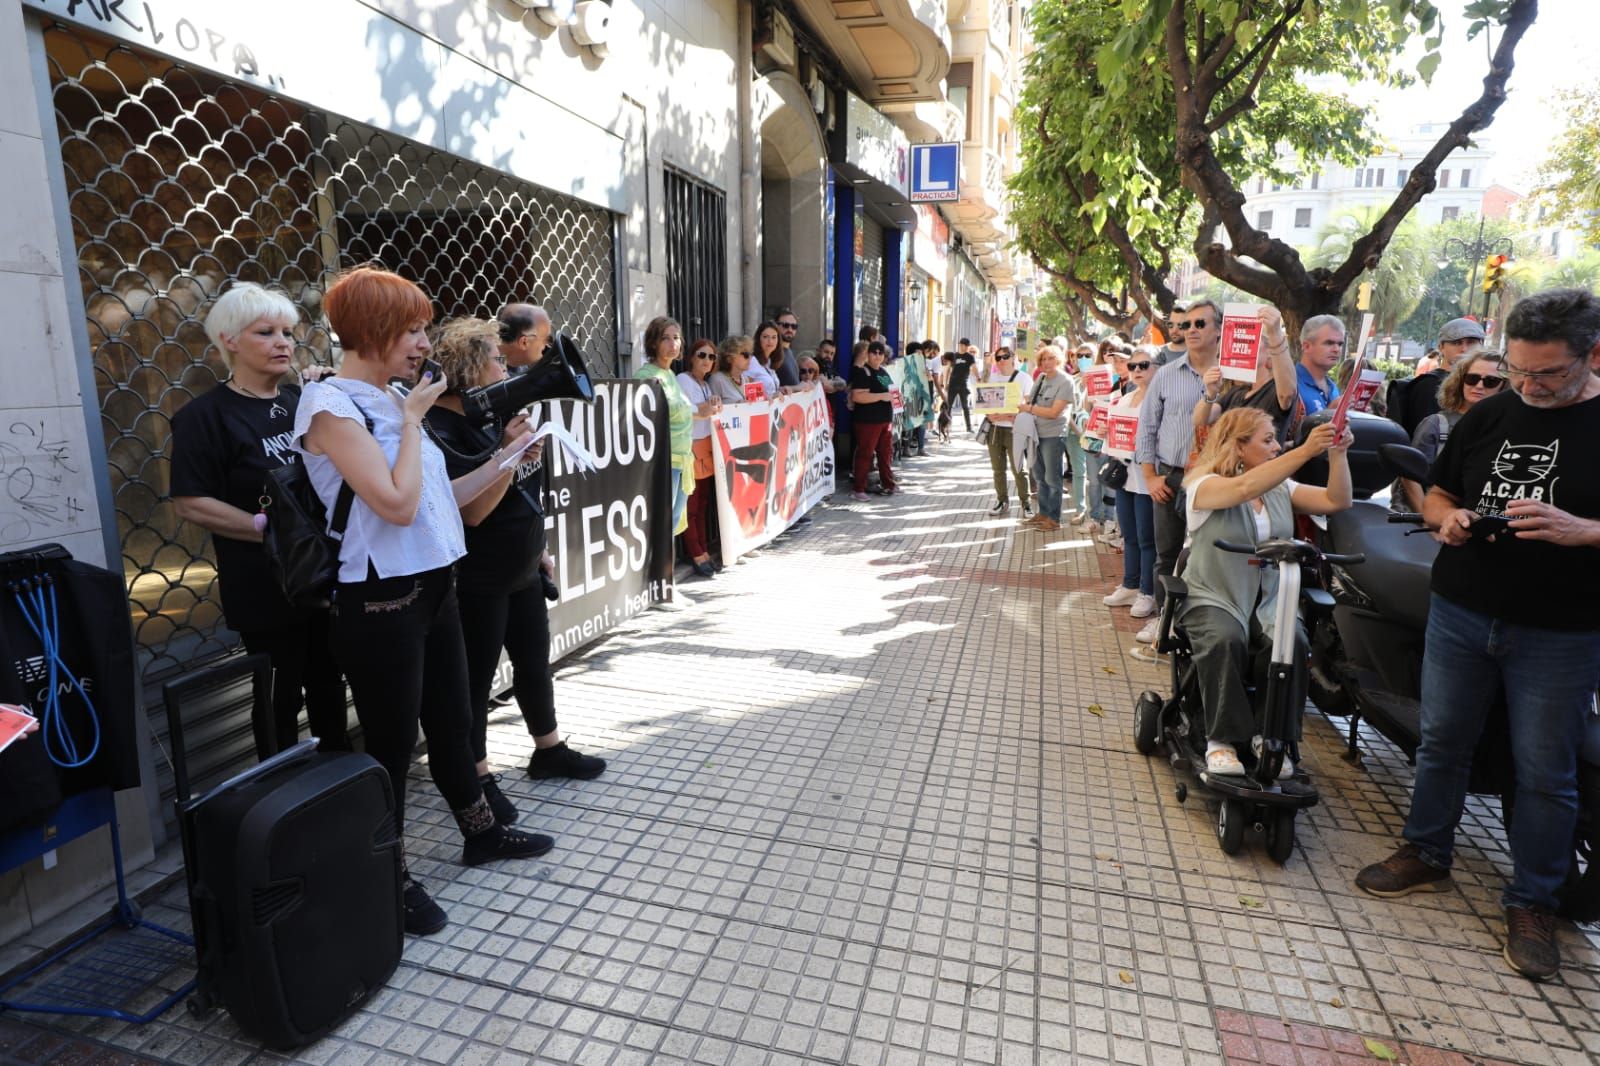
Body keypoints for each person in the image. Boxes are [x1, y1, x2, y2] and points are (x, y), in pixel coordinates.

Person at [294, 266, 550, 936]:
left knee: (452, 719)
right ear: (373, 331)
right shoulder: (331, 408)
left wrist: (509, 458)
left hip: (437, 581)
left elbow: (448, 505)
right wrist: (409, 422)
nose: (421, 344)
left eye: (421, 330)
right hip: (379, 595)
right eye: (410, 330)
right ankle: (388, 875)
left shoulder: (396, 399)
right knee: (391, 743)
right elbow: (397, 505)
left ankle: (481, 830)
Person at [1355, 288, 1600, 982]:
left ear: (1593, 356)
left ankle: (1533, 903)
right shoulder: (1490, 413)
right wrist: (1445, 520)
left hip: (1562, 631)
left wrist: (1585, 532)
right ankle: (1425, 851)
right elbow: (1438, 492)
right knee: (1442, 742)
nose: (1529, 386)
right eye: (1519, 371)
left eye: (1547, 374)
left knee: (1545, 773)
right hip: (1463, 609)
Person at [422, 318, 607, 827]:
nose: (506, 367)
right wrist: (508, 452)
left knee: (533, 663)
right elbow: (474, 512)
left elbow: (525, 488)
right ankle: (479, 778)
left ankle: (547, 749)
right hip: (479, 576)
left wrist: (540, 546)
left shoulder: (488, 414)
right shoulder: (438, 428)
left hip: (521, 564)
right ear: (468, 364)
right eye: (496, 359)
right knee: (475, 683)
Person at [171, 282, 349, 758]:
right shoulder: (203, 417)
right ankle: (281, 792)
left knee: (329, 681)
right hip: (265, 584)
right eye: (266, 332)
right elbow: (190, 501)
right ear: (230, 340)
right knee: (278, 695)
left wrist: (334, 390)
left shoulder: (302, 399)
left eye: (288, 332)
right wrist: (262, 529)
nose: (283, 343)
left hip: (326, 573)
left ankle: (341, 784)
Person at [1181, 410, 1349, 776]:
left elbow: (1337, 501)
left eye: (1277, 439)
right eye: (1268, 439)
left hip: (1271, 596)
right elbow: (1242, 489)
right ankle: (1221, 739)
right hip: (1216, 592)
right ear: (1239, 446)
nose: (1277, 446)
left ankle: (1270, 736)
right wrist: (1305, 450)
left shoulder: (1279, 488)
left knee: (1292, 643)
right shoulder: (1203, 484)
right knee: (1225, 640)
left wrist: (1337, 455)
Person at [1136, 299, 1219, 638]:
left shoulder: (1237, 377)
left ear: (1218, 330)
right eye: (1186, 325)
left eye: (1201, 324)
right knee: (1166, 553)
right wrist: (1150, 476)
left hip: (1215, 481)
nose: (1191, 330)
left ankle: (1198, 624)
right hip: (1170, 477)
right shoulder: (1166, 375)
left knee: (1205, 556)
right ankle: (1163, 619)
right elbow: (1147, 428)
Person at [1396, 352, 1505, 513]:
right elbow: (1410, 477)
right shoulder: (1436, 424)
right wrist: (1429, 521)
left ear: (1505, 386)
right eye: (1472, 378)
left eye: (1491, 381)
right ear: (1461, 381)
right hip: (1434, 522)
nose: (1479, 386)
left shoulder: (1506, 428)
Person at [1104, 348, 1159, 619]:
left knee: (1147, 539)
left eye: (1144, 365)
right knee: (1129, 535)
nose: (1137, 370)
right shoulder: (1124, 399)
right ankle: (1130, 583)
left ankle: (1147, 591)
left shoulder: (1162, 400)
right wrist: (1106, 432)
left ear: (1156, 367)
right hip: (1125, 476)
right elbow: (1112, 434)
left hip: (1148, 478)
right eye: (1133, 365)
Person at [1193, 305, 1301, 445]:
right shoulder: (1237, 392)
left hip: (1263, 466)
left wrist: (1275, 334)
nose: (1243, 343)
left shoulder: (1276, 389)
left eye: (1252, 339)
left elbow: (1287, 394)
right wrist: (1210, 393)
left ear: (1269, 350)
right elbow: (1200, 420)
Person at [635, 316, 703, 537]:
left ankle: (665, 570)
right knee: (661, 525)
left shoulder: (670, 375)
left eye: (676, 338)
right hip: (664, 462)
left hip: (682, 459)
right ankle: (656, 571)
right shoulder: (646, 376)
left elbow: (681, 412)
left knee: (671, 524)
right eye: (665, 338)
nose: (673, 343)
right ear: (654, 342)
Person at [1390, 318, 1487, 435]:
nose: (1464, 349)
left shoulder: (1488, 382)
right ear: (1441, 347)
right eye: (1456, 342)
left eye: (1471, 342)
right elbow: (1425, 437)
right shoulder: (1429, 385)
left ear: (1481, 345)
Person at [677, 339, 723, 576]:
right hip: (690, 447)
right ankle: (695, 552)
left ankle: (703, 549)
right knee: (691, 505)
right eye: (702, 355)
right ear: (692, 357)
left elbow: (707, 411)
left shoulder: (706, 384)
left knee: (703, 503)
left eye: (711, 357)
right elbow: (686, 411)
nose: (707, 360)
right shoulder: (683, 380)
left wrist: (714, 405)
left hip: (705, 446)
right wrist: (706, 407)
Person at [1017, 345, 1074, 531]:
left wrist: (1029, 409)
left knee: (1053, 478)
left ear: (1058, 360)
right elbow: (1030, 401)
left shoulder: (1065, 381)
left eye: (1050, 358)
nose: (1046, 363)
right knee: (1040, 476)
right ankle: (1043, 513)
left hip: (1053, 435)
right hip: (1035, 433)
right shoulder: (1041, 378)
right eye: (1043, 359)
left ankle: (1054, 519)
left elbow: (1054, 412)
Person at [983, 348, 1033, 517]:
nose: (1002, 360)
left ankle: (1026, 503)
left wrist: (1016, 415)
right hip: (995, 429)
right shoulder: (993, 377)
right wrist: (989, 415)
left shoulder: (1024, 378)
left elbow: (1029, 404)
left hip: (1015, 429)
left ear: (1013, 358)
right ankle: (1001, 500)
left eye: (1006, 356)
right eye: (998, 357)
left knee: (1019, 468)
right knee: (998, 469)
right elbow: (983, 401)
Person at [849, 341, 895, 501]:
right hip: (867, 421)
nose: (877, 356)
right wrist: (882, 396)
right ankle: (858, 489)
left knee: (885, 454)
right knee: (865, 455)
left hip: (884, 421)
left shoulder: (883, 372)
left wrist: (897, 399)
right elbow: (857, 396)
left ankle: (889, 485)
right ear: (868, 354)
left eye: (880, 353)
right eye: (874, 352)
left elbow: (892, 392)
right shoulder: (863, 373)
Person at [1294, 314, 1345, 416]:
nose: (1336, 349)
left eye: (1340, 344)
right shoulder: (1291, 384)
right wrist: (1329, 413)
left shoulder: (1332, 387)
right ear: (1306, 346)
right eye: (1329, 343)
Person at [496, 303, 552, 369]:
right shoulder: (492, 372)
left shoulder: (518, 364)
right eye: (545, 339)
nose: (547, 345)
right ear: (524, 342)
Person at [710, 334, 756, 404]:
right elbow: (712, 410)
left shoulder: (745, 378)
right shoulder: (717, 380)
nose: (750, 358)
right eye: (746, 354)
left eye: (751, 354)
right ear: (729, 358)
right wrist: (737, 405)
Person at [945, 343, 976, 433]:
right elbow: (948, 369)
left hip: (963, 384)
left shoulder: (970, 357)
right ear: (960, 345)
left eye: (966, 345)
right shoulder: (954, 355)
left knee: (965, 406)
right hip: (952, 384)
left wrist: (978, 377)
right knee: (949, 406)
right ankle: (947, 425)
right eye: (962, 345)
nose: (964, 347)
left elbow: (974, 368)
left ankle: (969, 427)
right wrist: (946, 383)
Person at [748, 321, 783, 399]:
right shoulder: (752, 361)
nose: (770, 341)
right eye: (765, 337)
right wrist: (769, 397)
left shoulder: (769, 361)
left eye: (774, 337)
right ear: (758, 338)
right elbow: (746, 391)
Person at [773, 309, 802, 387]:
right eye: (785, 325)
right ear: (775, 326)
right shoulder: (771, 352)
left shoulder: (789, 352)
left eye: (794, 326)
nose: (790, 329)